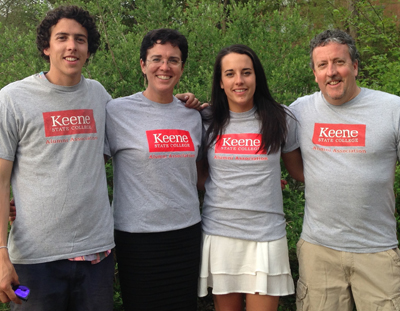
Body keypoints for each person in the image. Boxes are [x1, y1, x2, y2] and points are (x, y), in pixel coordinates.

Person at [0, 6, 116, 310]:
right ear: (46, 46)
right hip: (33, 265)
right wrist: (0, 255)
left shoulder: (99, 95)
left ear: (89, 49)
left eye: (80, 39)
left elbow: (97, 157)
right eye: (62, 37)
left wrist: (180, 103)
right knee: (23, 305)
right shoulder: (12, 98)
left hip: (97, 260)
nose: (71, 46)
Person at [290, 29, 400, 310]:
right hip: (319, 252)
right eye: (322, 65)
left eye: (338, 62)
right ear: (314, 73)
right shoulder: (300, 111)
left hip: (376, 251)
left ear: (355, 66)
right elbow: (249, 116)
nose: (332, 72)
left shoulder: (392, 109)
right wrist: (198, 109)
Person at [197, 44, 303, 311]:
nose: (239, 80)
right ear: (220, 82)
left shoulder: (280, 118)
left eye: (246, 72)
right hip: (221, 234)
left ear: (257, 77)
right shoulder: (206, 119)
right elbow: (199, 177)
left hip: (266, 236)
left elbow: (298, 171)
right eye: (230, 74)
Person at [104, 28, 202, 311]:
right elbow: (85, 164)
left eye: (173, 60)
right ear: (143, 65)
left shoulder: (193, 115)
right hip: (137, 237)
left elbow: (203, 172)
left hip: (186, 232)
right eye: (156, 58)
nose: (165, 66)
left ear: (182, 67)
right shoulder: (116, 111)